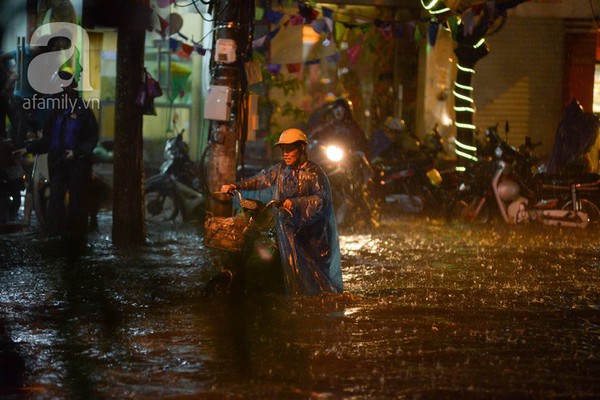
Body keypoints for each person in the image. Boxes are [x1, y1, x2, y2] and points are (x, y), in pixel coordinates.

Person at [220, 128, 343, 296]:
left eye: (290, 149)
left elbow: (321, 200)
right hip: (288, 231)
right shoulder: (280, 170)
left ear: (302, 148)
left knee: (315, 281)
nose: (285, 154)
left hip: (312, 236)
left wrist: (295, 203)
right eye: (283, 149)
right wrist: (236, 186)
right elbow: (261, 179)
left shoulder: (315, 174)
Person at [15, 65, 98, 237]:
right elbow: (48, 140)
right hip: (58, 163)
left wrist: (76, 153)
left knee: (76, 202)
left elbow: (91, 140)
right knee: (55, 202)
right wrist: (28, 148)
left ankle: (76, 241)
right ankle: (54, 237)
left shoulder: (84, 112)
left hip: (77, 165)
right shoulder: (54, 113)